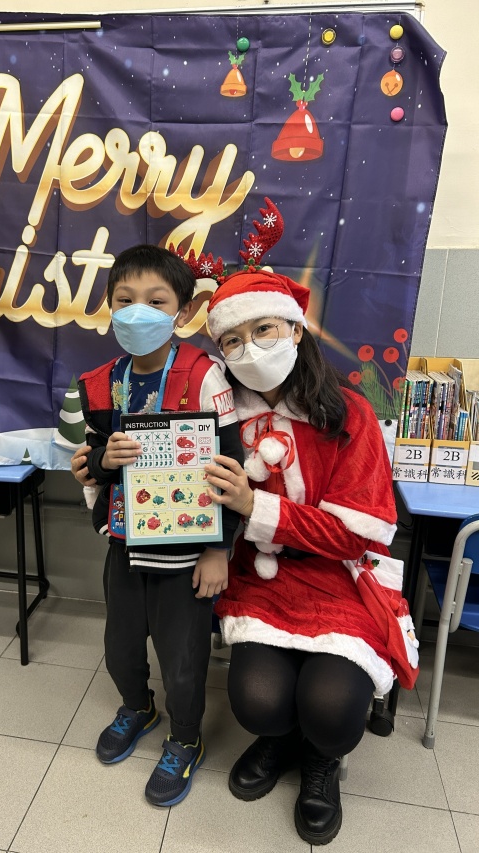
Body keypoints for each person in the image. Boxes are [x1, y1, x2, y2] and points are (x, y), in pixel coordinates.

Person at [201, 266, 419, 845]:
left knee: (331, 709)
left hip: (339, 582)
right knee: (258, 703)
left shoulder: (350, 414)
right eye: (232, 339)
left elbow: (356, 535)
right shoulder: (220, 417)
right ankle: (280, 740)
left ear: (296, 330)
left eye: (264, 329)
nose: (250, 349)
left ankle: (321, 759)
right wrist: (108, 468)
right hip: (262, 580)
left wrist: (256, 506)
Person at [75, 244, 243, 808]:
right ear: (109, 306)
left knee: (183, 660)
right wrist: (102, 461)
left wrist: (218, 549)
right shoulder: (101, 383)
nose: (137, 312)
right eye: (124, 300)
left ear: (182, 311)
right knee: (120, 647)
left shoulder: (205, 376)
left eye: (155, 301)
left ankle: (185, 738)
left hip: (187, 553)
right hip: (124, 543)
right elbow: (93, 461)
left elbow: (231, 465)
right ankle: (137, 707)